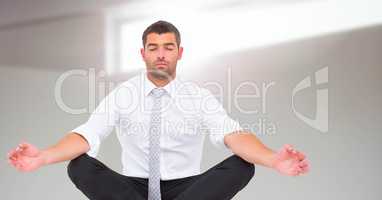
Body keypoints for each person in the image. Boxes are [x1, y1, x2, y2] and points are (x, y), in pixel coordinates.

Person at [7, 20, 310, 200]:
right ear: (143, 54)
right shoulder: (124, 93)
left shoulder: (198, 96)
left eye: (168, 47)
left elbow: (233, 135)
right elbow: (88, 134)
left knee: (243, 164)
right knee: (79, 165)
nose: (161, 55)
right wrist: (44, 156)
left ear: (180, 53)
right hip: (132, 190)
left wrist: (273, 158)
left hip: (188, 190)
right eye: (153, 48)